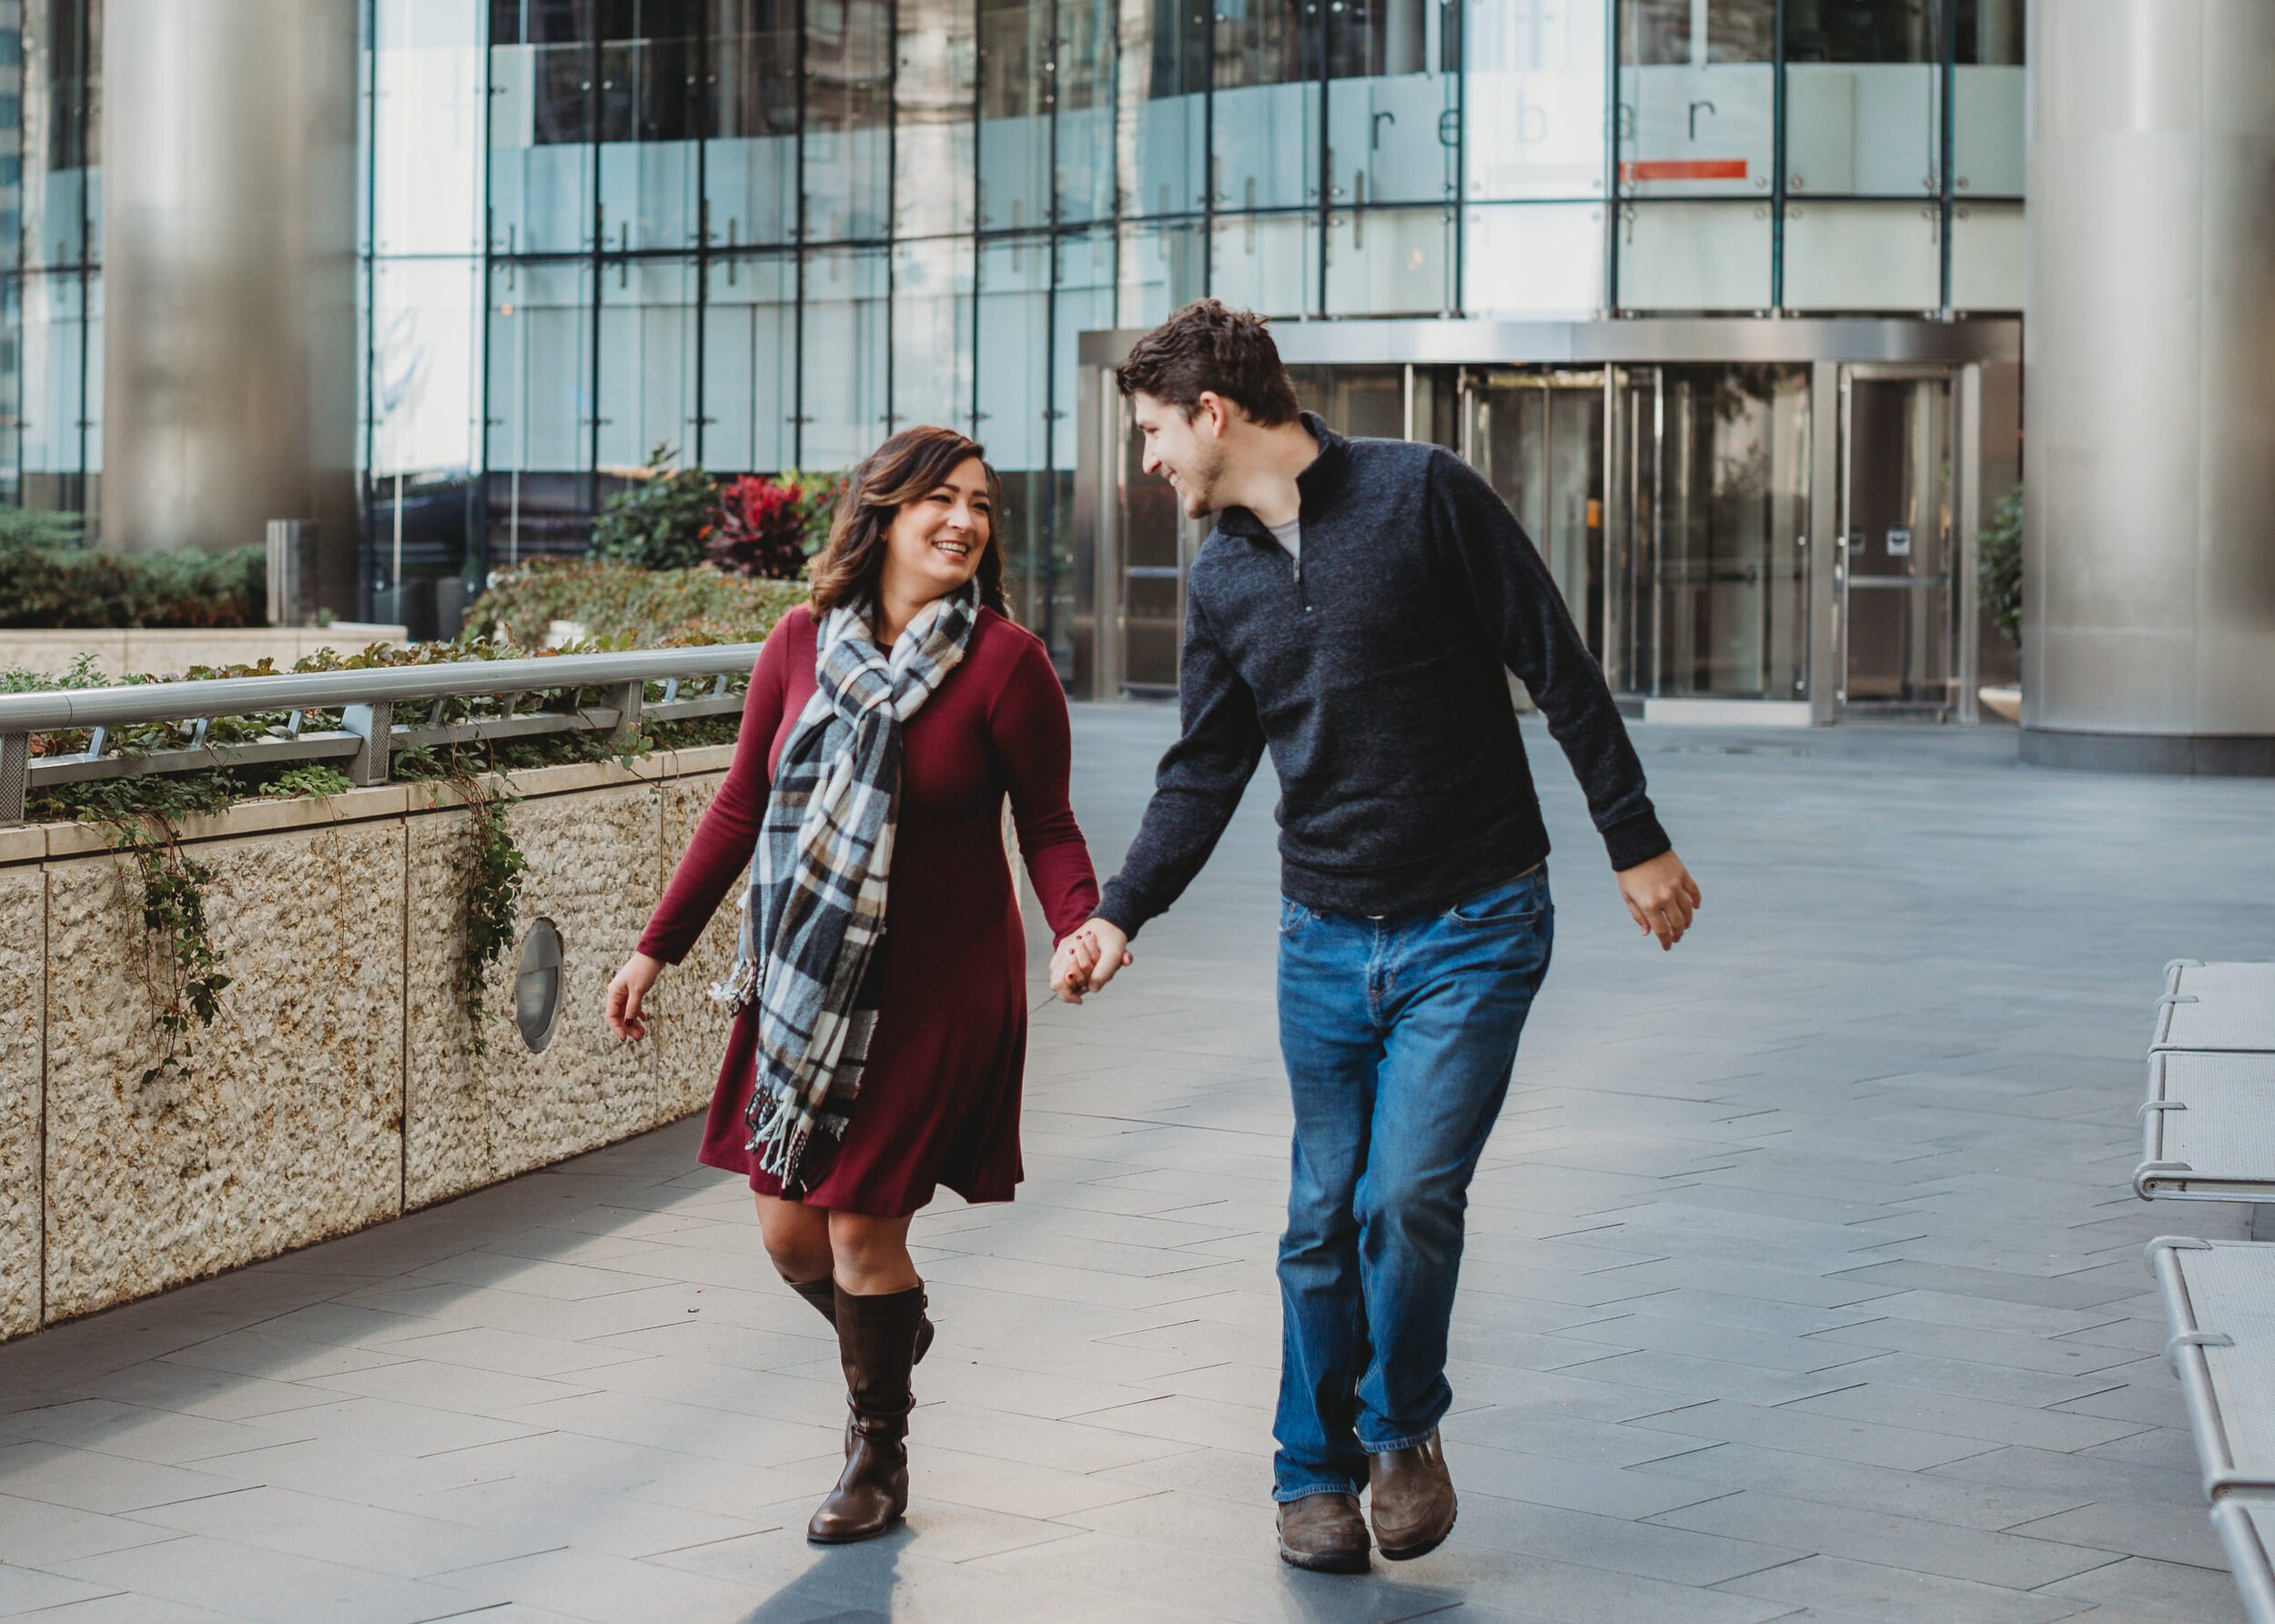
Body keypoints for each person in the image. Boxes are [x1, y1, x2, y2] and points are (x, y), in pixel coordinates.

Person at [1053, 300, 1702, 1574]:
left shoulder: (1422, 494)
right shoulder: (1223, 574)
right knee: (1318, 1213)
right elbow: (1204, 768)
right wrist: (1120, 911)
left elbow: (1555, 660)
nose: (1150, 459)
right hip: (1322, 938)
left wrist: (1634, 839)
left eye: (1153, 432)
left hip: (1475, 921)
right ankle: (1310, 1474)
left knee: (1404, 1198)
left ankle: (1400, 1429)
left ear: (1212, 414)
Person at [607, 425, 1102, 1545]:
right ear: (882, 514)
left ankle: (877, 1452)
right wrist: (655, 948)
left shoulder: (1005, 663)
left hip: (934, 992)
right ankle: (887, 1332)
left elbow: (1048, 824)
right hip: (805, 983)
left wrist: (1081, 925)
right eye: (940, 499)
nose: (964, 521)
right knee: (790, 1237)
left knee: (861, 1235)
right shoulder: (798, 644)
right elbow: (741, 805)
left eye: (980, 504)